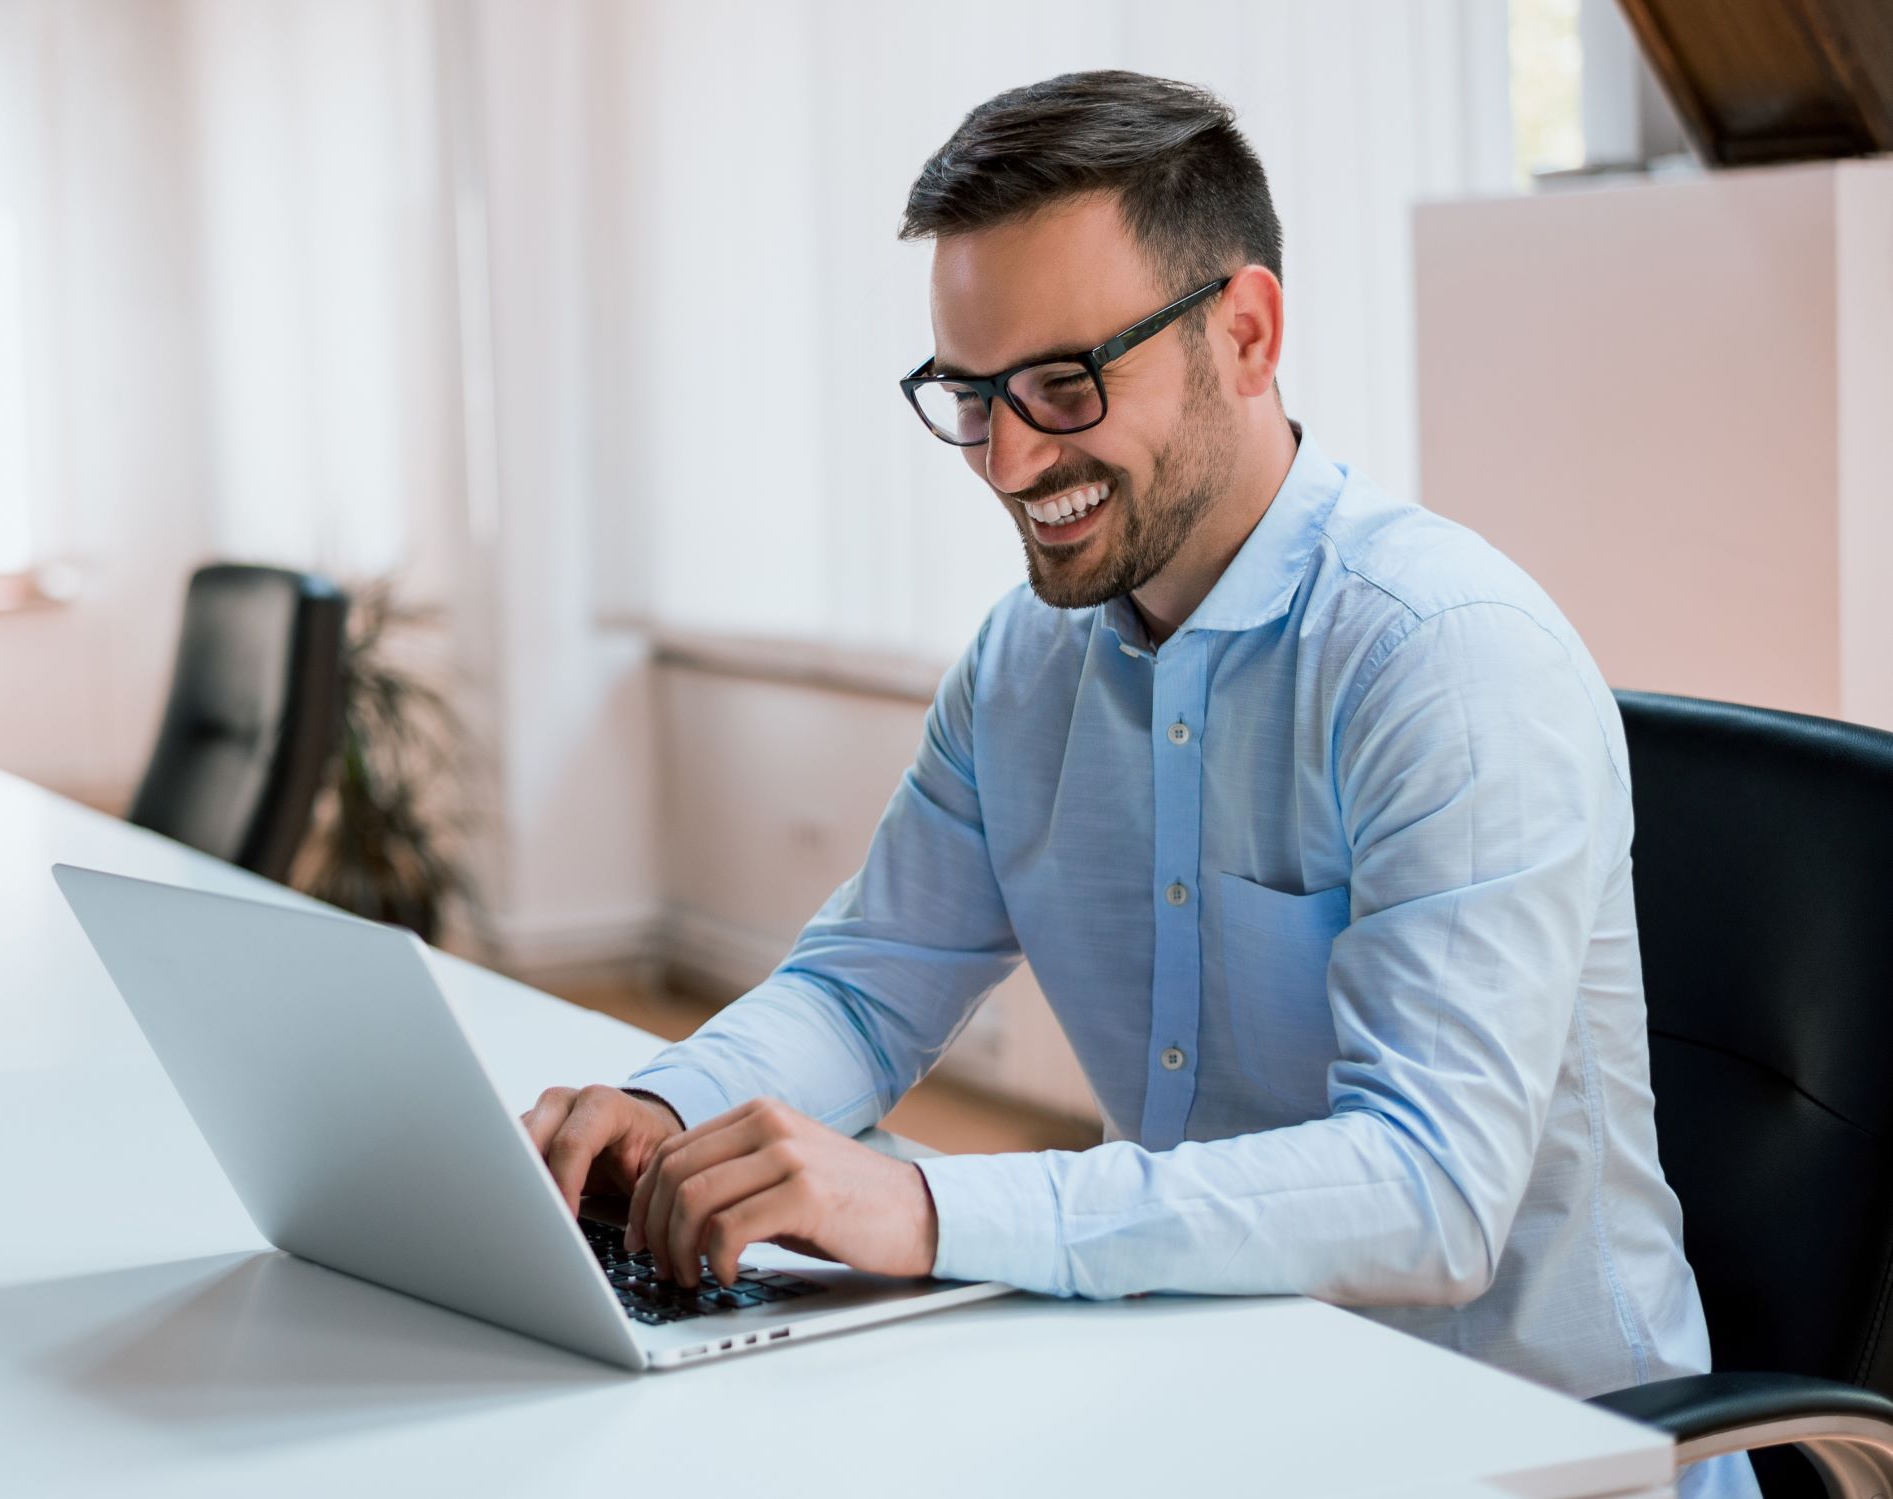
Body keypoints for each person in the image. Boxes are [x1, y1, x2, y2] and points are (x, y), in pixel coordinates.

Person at [522, 71, 1753, 1499]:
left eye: (1062, 384)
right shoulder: (1025, 661)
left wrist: (924, 1202)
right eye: (967, 396)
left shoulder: (1444, 660)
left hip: (1509, 1456)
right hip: (1197, 1406)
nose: (1009, 458)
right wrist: (669, 1110)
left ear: (1244, 333)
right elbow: (869, 983)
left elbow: (1429, 1197)